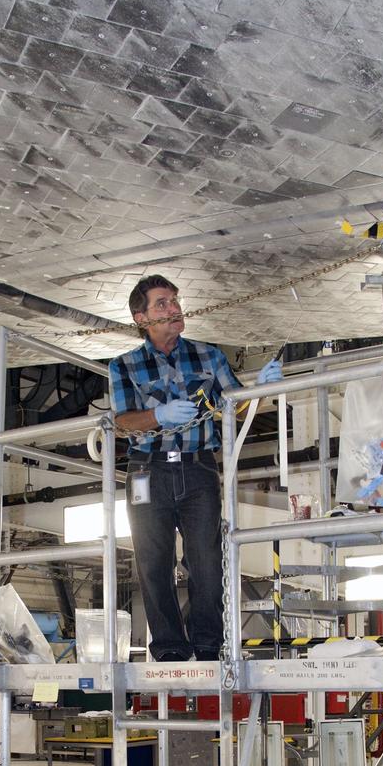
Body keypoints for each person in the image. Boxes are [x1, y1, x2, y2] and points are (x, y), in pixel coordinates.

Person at [109, 274, 283, 661]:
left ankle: (208, 643)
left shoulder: (209, 356)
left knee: (206, 559)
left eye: (174, 300)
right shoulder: (124, 366)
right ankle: (170, 647)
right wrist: (158, 414)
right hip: (147, 470)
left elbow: (233, 404)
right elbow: (123, 421)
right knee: (153, 562)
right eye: (162, 304)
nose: (174, 308)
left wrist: (259, 388)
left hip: (199, 468)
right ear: (142, 318)